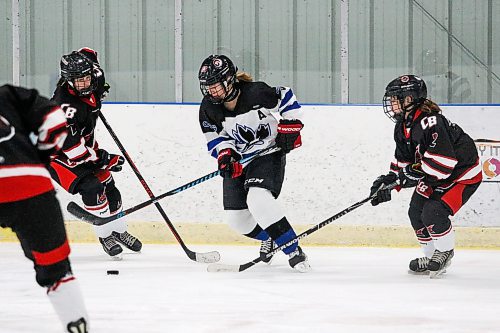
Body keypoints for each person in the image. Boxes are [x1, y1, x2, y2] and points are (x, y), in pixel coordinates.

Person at [198, 54, 310, 272]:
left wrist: (290, 125)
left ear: (230, 80)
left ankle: (293, 251)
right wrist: (226, 156)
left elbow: (285, 96)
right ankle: (272, 237)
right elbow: (215, 139)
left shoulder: (255, 92)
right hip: (241, 160)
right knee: (237, 219)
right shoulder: (208, 108)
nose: (212, 91)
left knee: (258, 198)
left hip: (268, 153)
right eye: (207, 87)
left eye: (216, 86)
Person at [370, 75, 482, 278]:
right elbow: (403, 163)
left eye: (396, 98)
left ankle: (445, 251)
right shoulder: (402, 126)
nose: (392, 103)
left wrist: (406, 177)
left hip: (462, 175)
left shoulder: (432, 122)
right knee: (415, 212)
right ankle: (432, 257)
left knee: (433, 211)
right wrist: (389, 182)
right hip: (435, 174)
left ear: (409, 99)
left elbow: (443, 166)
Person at [0, 84, 89, 332]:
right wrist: (39, 158)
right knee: (57, 269)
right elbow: (53, 121)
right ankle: (76, 325)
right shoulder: (10, 95)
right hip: (30, 185)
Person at [49, 47, 142, 258]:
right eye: (78, 81)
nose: (85, 84)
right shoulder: (64, 107)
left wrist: (88, 66)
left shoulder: (94, 76)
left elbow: (89, 52)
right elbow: (73, 151)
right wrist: (104, 159)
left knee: (110, 185)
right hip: (59, 155)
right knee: (92, 187)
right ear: (68, 81)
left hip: (84, 144)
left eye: (87, 78)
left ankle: (119, 230)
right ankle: (105, 235)